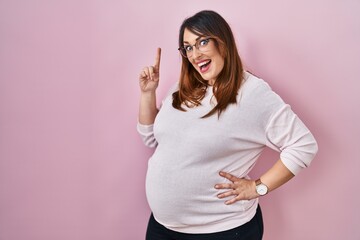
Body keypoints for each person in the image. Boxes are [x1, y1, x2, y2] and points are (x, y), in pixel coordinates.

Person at [137, 10, 318, 240]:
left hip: (221, 230)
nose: (195, 54)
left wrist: (257, 187)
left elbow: (304, 145)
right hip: (162, 227)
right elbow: (150, 137)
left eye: (202, 42)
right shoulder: (182, 89)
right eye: (188, 47)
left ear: (223, 42)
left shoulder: (252, 93)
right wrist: (147, 94)